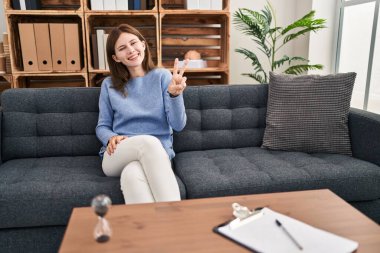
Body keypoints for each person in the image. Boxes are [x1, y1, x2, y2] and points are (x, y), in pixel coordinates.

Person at [95, 24, 189, 204]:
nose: (130, 50)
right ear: (115, 57)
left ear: (143, 45)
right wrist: (111, 137)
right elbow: (102, 126)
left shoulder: (163, 77)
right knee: (148, 141)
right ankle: (177, 219)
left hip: (157, 155)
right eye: (122, 48)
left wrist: (175, 95)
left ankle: (152, 231)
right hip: (117, 154)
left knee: (132, 175)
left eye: (133, 43)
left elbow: (178, 125)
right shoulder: (109, 85)